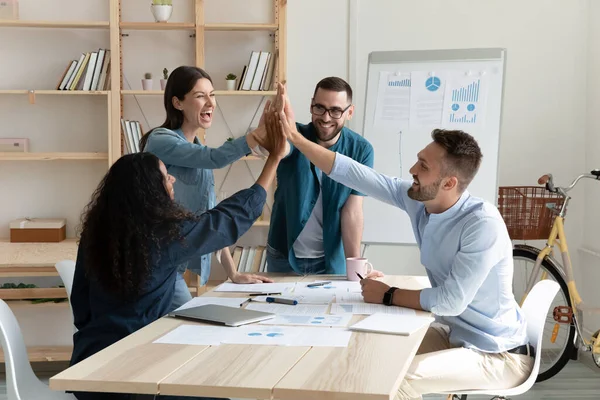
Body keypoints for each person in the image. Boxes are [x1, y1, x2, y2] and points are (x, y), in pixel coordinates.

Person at [265, 88, 534, 399]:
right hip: (456, 335)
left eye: (423, 166)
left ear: (449, 183)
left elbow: (450, 302)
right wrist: (297, 140)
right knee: (368, 350)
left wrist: (389, 294)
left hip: (498, 353)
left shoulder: (481, 224)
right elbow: (358, 175)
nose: (412, 171)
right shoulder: (420, 201)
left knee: (393, 381)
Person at [69, 120, 286, 400]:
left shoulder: (96, 231)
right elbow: (227, 219)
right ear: (149, 191)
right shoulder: (164, 235)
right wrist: (274, 160)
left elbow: (81, 305)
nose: (171, 179)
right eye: (164, 176)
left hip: (90, 368)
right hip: (134, 377)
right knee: (216, 388)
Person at [139, 66, 272, 311]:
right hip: (154, 264)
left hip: (172, 262)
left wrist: (233, 274)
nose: (210, 102)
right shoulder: (161, 140)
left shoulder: (196, 149)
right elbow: (216, 158)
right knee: (188, 323)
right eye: (200, 96)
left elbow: (209, 218)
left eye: (212, 94)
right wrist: (258, 135)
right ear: (177, 103)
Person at [265, 77, 381, 277]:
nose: (326, 118)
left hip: (330, 260)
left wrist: (356, 271)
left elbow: (352, 211)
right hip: (284, 255)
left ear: (349, 112)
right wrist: (280, 123)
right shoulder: (294, 135)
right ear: (311, 106)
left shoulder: (361, 150)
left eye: (336, 110)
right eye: (320, 108)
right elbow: (282, 149)